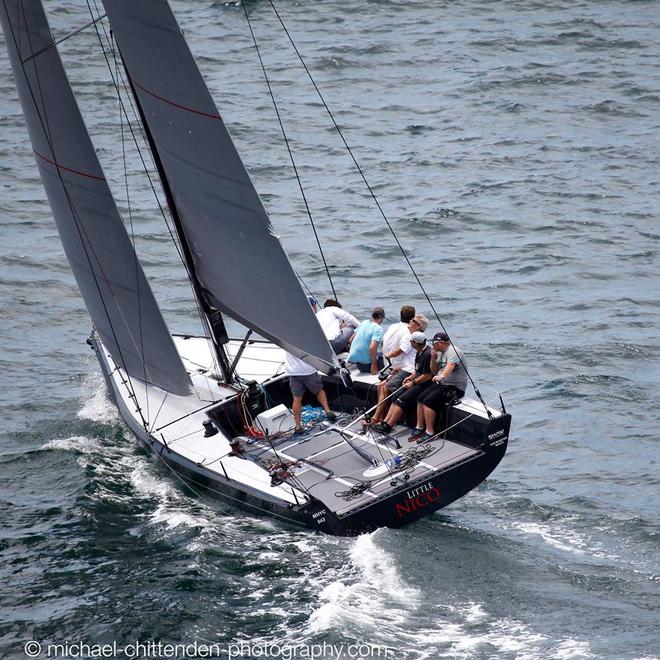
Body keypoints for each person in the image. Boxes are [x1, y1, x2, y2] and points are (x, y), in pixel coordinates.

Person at [370, 311, 429, 424]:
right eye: (411, 319)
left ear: (418, 326)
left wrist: (390, 356)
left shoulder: (414, 339)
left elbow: (403, 352)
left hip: (409, 371)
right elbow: (410, 357)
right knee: (380, 386)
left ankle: (376, 418)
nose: (411, 321)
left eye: (414, 321)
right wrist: (399, 367)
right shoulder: (412, 336)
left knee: (385, 387)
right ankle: (381, 417)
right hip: (405, 368)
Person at [410, 331, 468, 442]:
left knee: (428, 402)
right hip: (442, 385)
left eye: (434, 343)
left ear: (440, 343)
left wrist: (442, 376)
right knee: (420, 398)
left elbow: (450, 366)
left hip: (454, 387)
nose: (433, 346)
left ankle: (430, 432)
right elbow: (434, 370)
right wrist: (432, 358)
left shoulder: (453, 351)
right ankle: (419, 427)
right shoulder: (439, 352)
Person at [372, 331, 433, 434]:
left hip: (424, 384)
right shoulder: (419, 352)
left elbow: (427, 375)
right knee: (396, 396)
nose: (410, 343)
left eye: (411, 342)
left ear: (416, 343)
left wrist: (413, 382)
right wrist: (410, 377)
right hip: (417, 380)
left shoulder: (427, 354)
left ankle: (389, 426)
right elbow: (418, 370)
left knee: (402, 399)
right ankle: (385, 422)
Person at [283, 351, 336, 435]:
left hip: (293, 372)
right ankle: (328, 411)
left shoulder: (286, 338)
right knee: (319, 391)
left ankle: (298, 426)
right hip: (308, 370)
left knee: (297, 398)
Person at [347, 307, 386, 374]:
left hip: (358, 364)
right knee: (385, 357)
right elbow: (372, 347)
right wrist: (374, 365)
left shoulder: (364, 322)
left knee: (379, 353)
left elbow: (351, 340)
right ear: (382, 318)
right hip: (367, 366)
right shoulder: (378, 328)